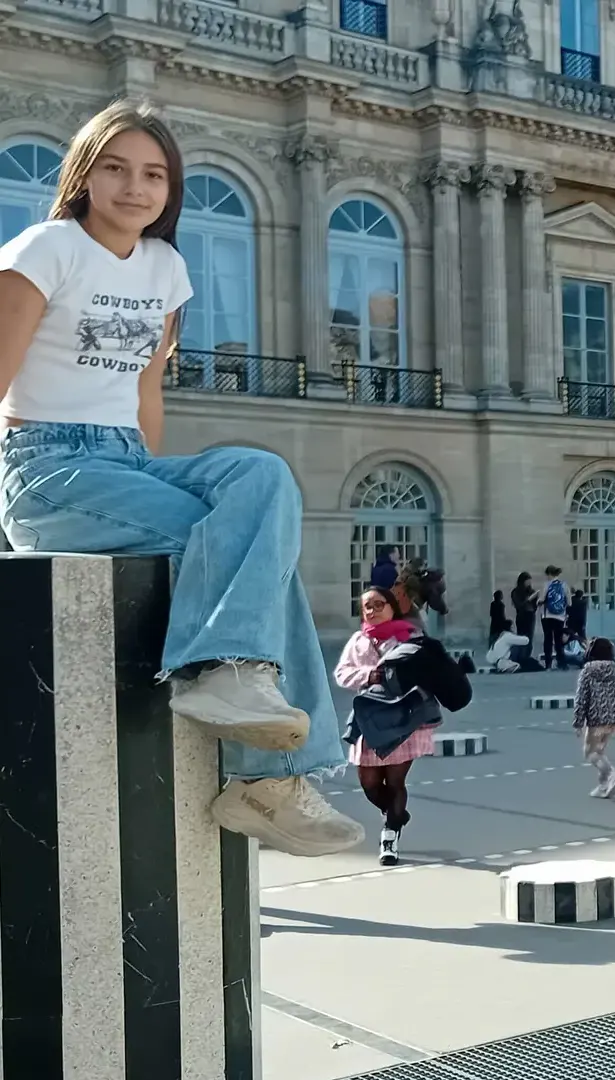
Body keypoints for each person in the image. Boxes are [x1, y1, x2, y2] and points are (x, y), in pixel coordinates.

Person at [0, 100, 362, 856]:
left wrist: (155, 474)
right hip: (46, 468)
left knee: (260, 477)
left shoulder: (166, 267)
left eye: (154, 173)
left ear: (172, 188)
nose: (136, 187)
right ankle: (265, 771)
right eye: (117, 168)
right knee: (247, 547)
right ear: (84, 175)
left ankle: (237, 699)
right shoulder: (45, 249)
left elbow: (145, 392)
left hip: (126, 458)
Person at [333, 587, 436, 865]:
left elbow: (427, 672)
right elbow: (342, 674)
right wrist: (369, 674)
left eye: (379, 604)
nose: (373, 610)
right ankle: (397, 814)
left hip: (404, 719)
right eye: (367, 606)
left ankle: (389, 837)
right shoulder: (357, 640)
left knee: (395, 781)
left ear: (392, 607)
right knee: (369, 783)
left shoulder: (410, 637)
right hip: (369, 719)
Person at [573, 637, 615, 799]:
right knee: (599, 751)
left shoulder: (588, 671)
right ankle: (603, 785)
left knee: (590, 752)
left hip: (596, 718)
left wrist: (578, 722)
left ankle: (611, 772)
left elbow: (581, 698)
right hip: (614, 719)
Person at [538, 564, 570, 670]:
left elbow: (541, 599)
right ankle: (562, 663)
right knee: (558, 640)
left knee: (548, 640)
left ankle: (548, 664)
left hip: (547, 616)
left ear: (549, 574)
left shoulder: (546, 585)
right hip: (560, 617)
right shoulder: (564, 585)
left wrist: (538, 602)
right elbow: (569, 603)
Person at [511, 571, 537, 640]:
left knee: (529, 638)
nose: (529, 583)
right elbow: (518, 605)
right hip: (521, 616)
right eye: (527, 581)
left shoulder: (532, 591)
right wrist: (528, 600)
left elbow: (535, 606)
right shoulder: (516, 592)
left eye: (530, 581)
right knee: (521, 637)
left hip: (530, 616)